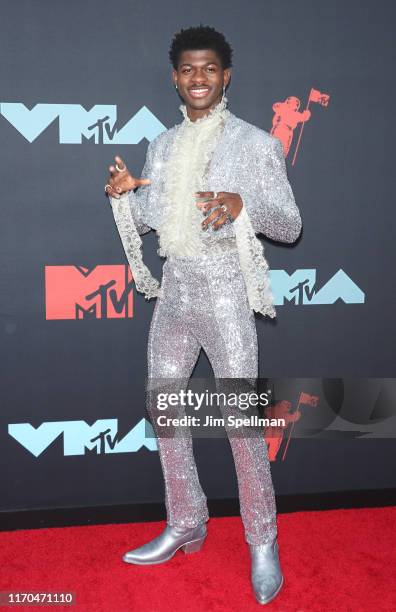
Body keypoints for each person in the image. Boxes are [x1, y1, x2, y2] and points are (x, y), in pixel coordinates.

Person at [104, 25, 302, 606]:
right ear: (174, 76)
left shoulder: (257, 144)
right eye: (188, 69)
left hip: (224, 296)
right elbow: (150, 218)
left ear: (226, 75)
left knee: (240, 423)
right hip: (175, 296)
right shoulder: (161, 146)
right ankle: (186, 520)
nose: (198, 78)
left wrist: (243, 205)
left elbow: (289, 225)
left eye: (209, 68)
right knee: (166, 411)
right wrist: (124, 193)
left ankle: (262, 541)